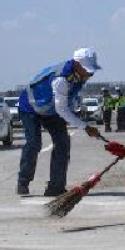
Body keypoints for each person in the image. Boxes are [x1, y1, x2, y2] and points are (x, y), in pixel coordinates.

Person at [16, 48, 103, 197]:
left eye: (92, 70)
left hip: (51, 110)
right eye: (88, 70)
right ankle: (23, 181)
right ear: (76, 64)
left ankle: (55, 187)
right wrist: (86, 127)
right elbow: (62, 110)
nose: (90, 74)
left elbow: (66, 103)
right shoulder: (61, 79)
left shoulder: (79, 76)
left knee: (62, 143)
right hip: (30, 108)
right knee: (33, 143)